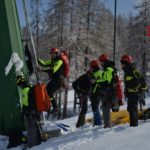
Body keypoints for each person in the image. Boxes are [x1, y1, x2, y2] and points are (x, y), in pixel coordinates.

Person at [120, 54, 147, 127]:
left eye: (122, 62)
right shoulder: (127, 71)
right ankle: (133, 125)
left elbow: (142, 79)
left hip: (135, 93)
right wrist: (126, 91)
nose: (121, 64)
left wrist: (143, 90)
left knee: (133, 110)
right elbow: (129, 83)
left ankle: (134, 126)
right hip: (131, 93)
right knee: (130, 109)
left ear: (125, 62)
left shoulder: (132, 70)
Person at [16, 74, 42, 148]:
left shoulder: (25, 90)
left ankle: (31, 145)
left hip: (31, 112)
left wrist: (24, 113)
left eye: (19, 84)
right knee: (35, 127)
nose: (19, 86)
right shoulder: (31, 87)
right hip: (36, 111)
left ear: (21, 83)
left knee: (31, 129)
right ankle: (38, 142)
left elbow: (25, 104)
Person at [38, 48, 64, 112]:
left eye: (53, 53)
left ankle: (55, 107)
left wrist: (42, 70)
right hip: (54, 80)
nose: (51, 55)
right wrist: (37, 59)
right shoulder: (52, 61)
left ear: (56, 54)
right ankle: (49, 106)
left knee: (49, 92)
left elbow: (53, 70)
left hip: (58, 81)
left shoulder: (59, 61)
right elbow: (43, 64)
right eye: (51, 53)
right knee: (46, 90)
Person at [94, 53, 116, 128]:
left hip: (109, 92)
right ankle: (107, 125)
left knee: (106, 108)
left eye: (101, 62)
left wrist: (97, 82)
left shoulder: (109, 69)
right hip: (107, 92)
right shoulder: (106, 69)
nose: (100, 63)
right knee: (104, 108)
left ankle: (107, 126)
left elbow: (107, 81)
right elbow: (105, 79)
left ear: (104, 61)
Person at [90, 60, 103, 126]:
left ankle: (98, 123)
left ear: (94, 66)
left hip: (96, 92)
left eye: (91, 67)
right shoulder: (96, 72)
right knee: (94, 107)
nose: (90, 68)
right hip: (95, 92)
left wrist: (94, 80)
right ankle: (96, 122)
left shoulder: (97, 73)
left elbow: (96, 81)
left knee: (95, 107)